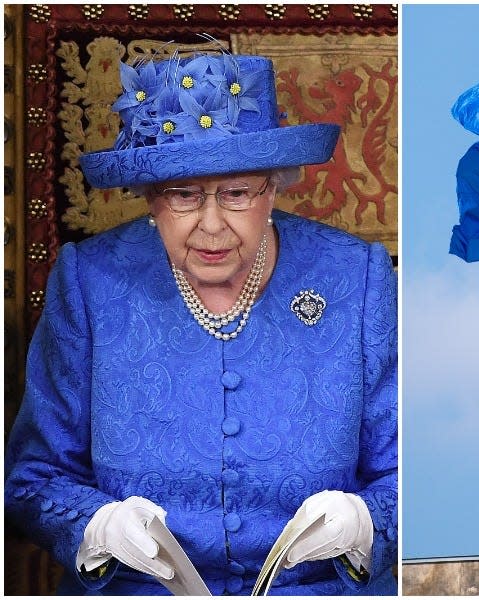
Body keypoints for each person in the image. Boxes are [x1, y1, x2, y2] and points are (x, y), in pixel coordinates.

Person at [4, 49, 397, 595]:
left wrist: (367, 522)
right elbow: (32, 478)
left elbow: (412, 471)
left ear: (274, 186)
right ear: (149, 197)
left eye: (237, 193)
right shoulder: (89, 282)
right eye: (183, 194)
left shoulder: (357, 277)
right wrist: (93, 526)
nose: (211, 225)